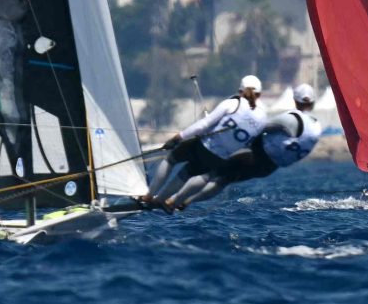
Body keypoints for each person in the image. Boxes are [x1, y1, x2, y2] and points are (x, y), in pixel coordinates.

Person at [160, 85, 324, 210]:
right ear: (313, 102)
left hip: (255, 156)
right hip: (269, 168)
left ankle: (173, 200)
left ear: (295, 100)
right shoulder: (316, 127)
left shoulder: (292, 118)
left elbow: (260, 128)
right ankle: (186, 203)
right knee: (224, 180)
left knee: (211, 173)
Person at [139, 75, 265, 209]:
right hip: (220, 158)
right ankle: (164, 200)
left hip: (203, 146)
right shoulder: (263, 118)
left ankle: (150, 196)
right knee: (188, 173)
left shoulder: (234, 103)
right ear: (260, 94)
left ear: (240, 90)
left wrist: (179, 137)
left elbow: (204, 124)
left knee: (171, 159)